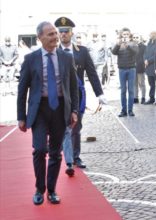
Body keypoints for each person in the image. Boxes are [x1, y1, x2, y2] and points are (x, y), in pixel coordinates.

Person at [17, 21, 79, 205]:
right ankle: (39, 188)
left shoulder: (67, 57)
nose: (55, 37)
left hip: (61, 109)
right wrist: (21, 117)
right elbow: (22, 91)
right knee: (40, 149)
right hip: (40, 110)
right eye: (50, 34)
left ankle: (51, 190)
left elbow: (73, 88)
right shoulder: (30, 59)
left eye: (55, 33)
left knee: (55, 152)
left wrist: (74, 110)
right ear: (40, 38)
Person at [55, 17, 106, 174]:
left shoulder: (81, 51)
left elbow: (91, 72)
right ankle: (61, 157)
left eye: (66, 31)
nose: (63, 34)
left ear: (72, 33)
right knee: (62, 128)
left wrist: (100, 93)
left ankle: (75, 157)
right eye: (61, 32)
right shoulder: (54, 51)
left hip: (77, 95)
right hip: (59, 95)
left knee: (76, 128)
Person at [111, 27, 139, 117]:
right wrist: (118, 44)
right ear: (121, 35)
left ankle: (130, 110)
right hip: (122, 69)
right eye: (124, 34)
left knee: (131, 90)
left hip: (131, 69)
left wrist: (128, 46)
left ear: (129, 35)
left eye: (127, 34)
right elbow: (113, 52)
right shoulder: (119, 44)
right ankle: (123, 110)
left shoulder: (133, 43)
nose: (125, 36)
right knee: (123, 90)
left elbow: (135, 52)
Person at [144, 31, 156, 104]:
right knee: (151, 84)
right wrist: (145, 60)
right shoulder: (149, 43)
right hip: (148, 67)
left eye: (153, 34)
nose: (151, 35)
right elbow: (145, 53)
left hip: (155, 66)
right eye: (150, 34)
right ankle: (151, 98)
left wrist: (149, 60)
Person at [134, 34, 146, 104]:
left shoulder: (144, 47)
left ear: (140, 38)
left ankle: (143, 97)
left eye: (137, 37)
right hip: (132, 67)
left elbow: (144, 57)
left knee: (142, 83)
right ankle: (135, 98)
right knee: (134, 84)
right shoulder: (131, 46)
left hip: (140, 67)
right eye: (134, 37)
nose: (135, 38)